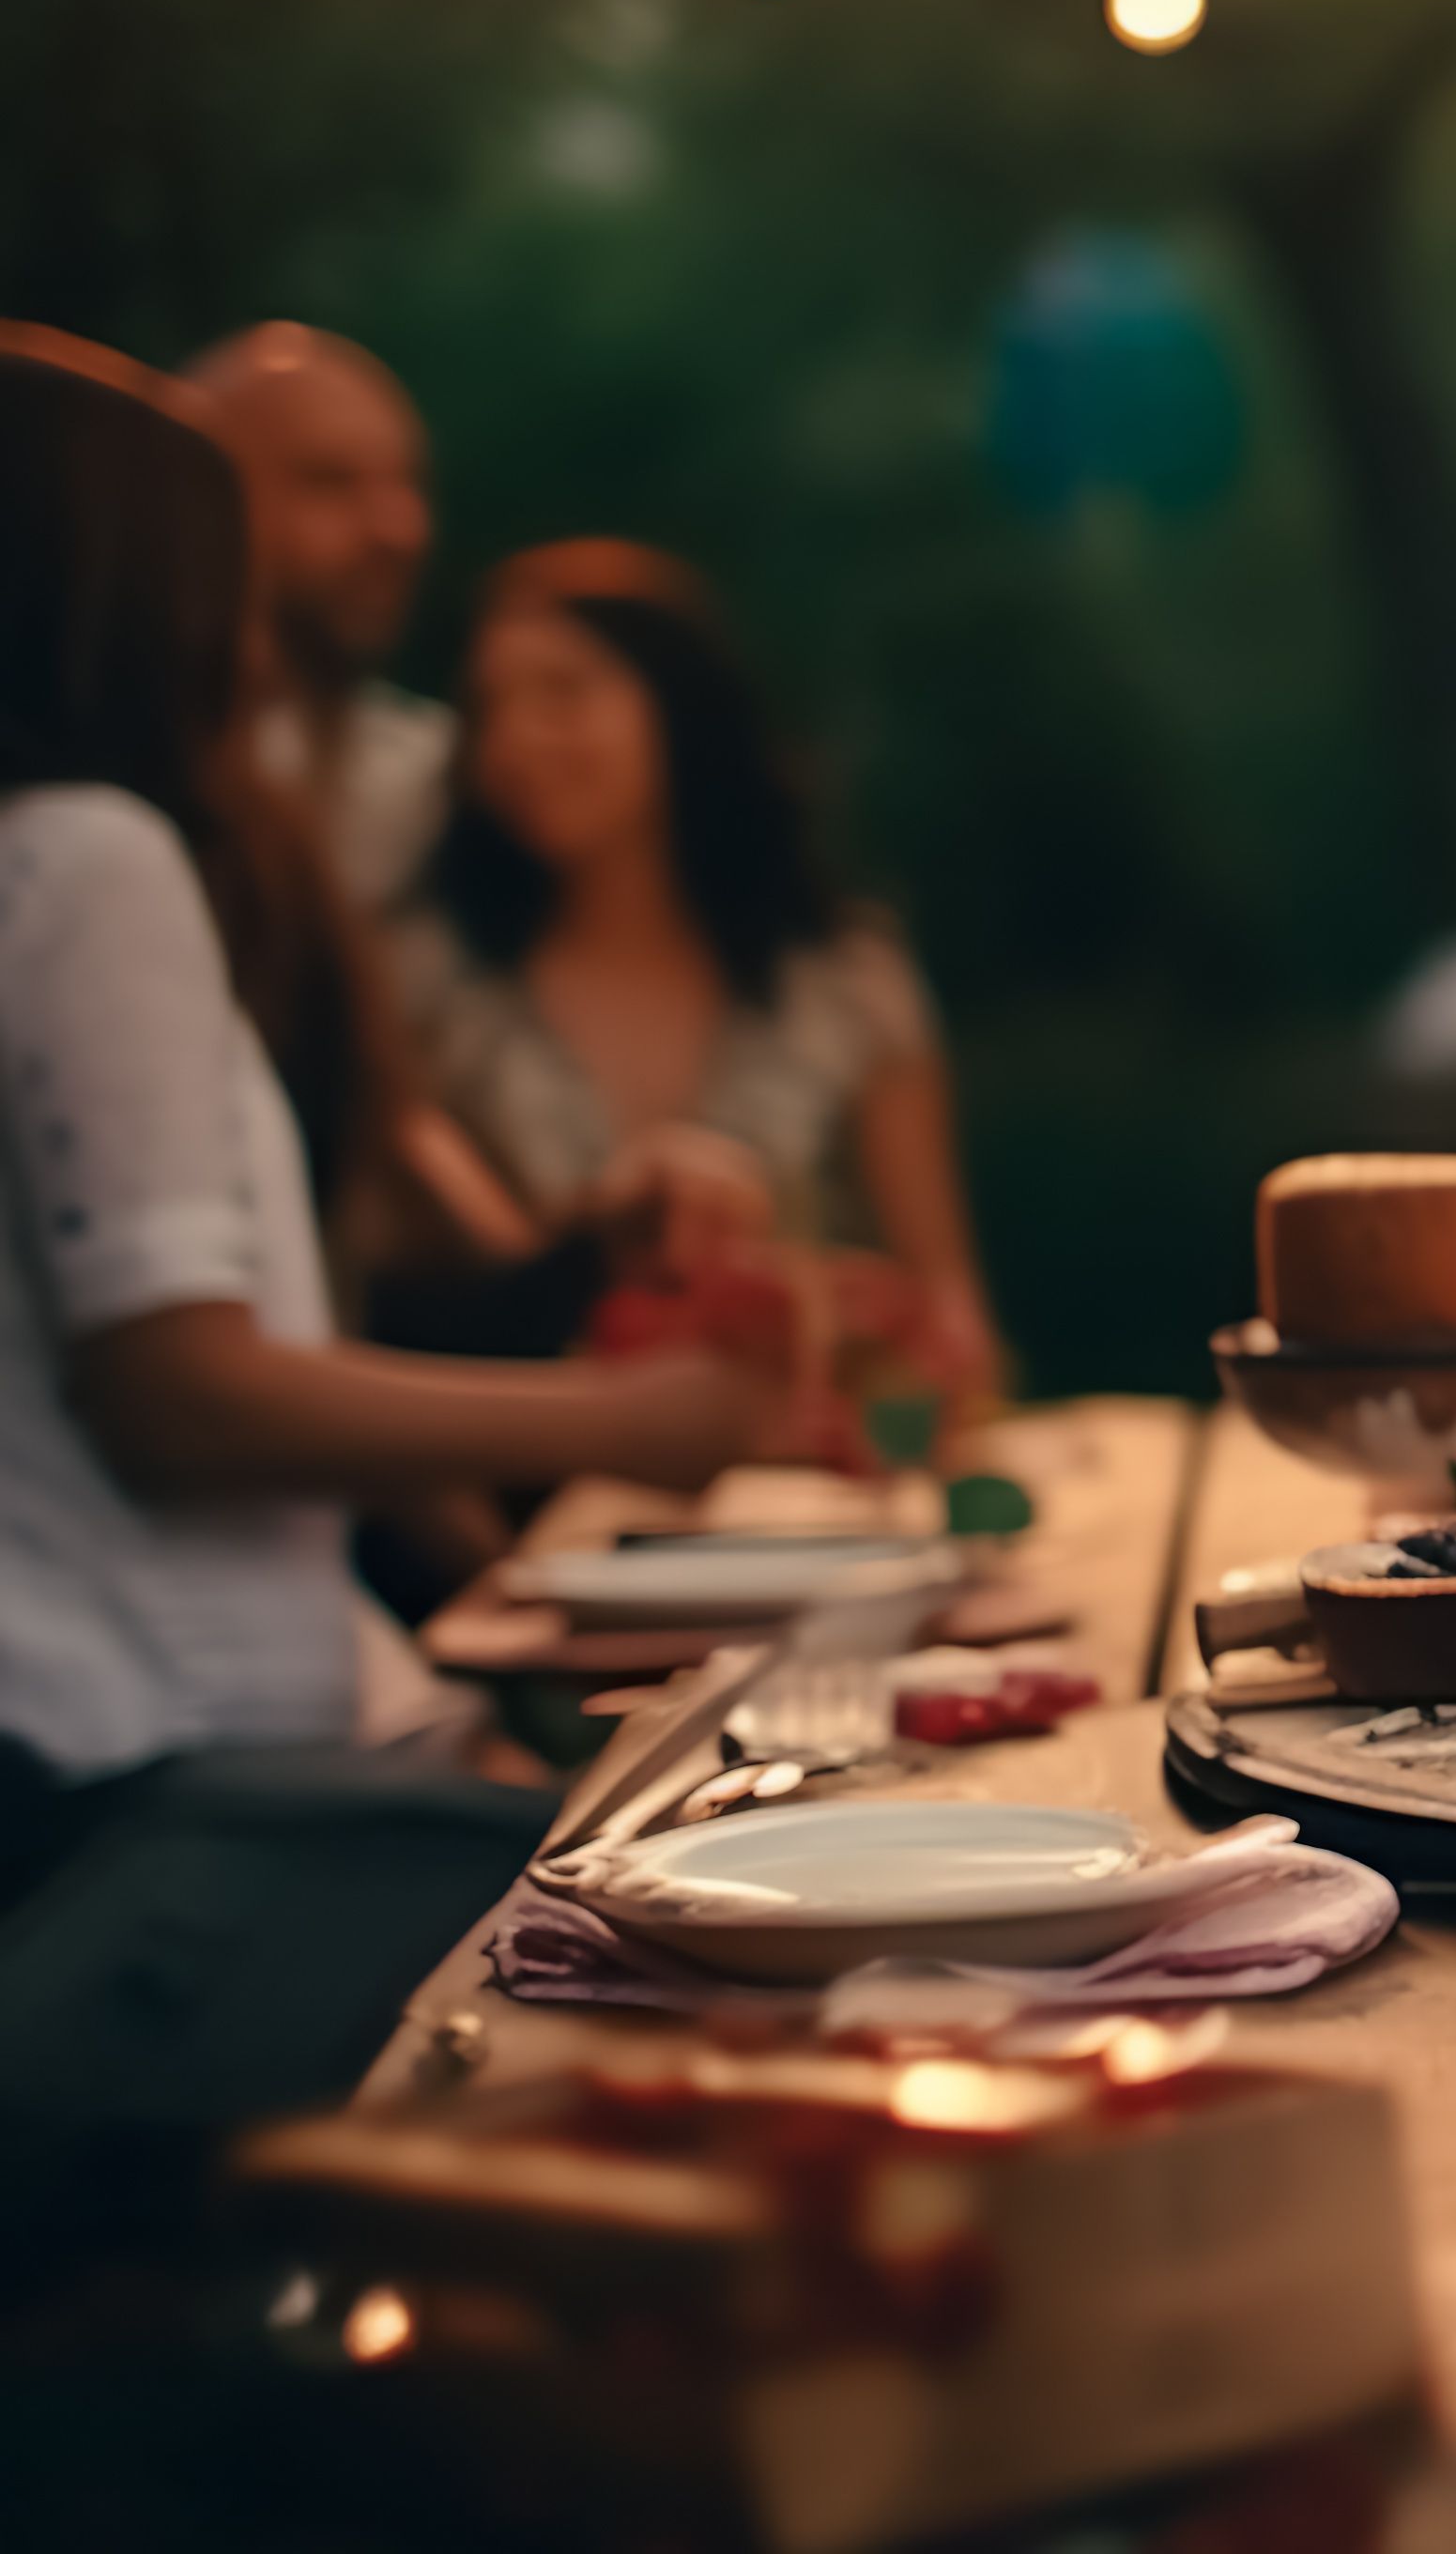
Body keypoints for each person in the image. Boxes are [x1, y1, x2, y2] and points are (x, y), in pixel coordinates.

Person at [0, 339, 782, 2216]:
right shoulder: (90, 859)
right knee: (714, 1972)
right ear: (133, 589)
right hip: (146, 1796)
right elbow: (179, 1387)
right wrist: (634, 1420)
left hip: (138, 1770)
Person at [390, 541, 998, 1398]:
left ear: (680, 703)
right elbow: (453, 1295)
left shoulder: (847, 980)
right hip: (555, 1485)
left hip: (821, 1482)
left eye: (564, 691)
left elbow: (952, 1310)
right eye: (489, 708)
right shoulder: (432, 990)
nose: (516, 739)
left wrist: (871, 1343)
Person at [184, 322, 452, 913]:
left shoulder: (456, 791)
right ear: (194, 497)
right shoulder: (105, 783)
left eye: (408, 483)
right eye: (331, 480)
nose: (400, 530)